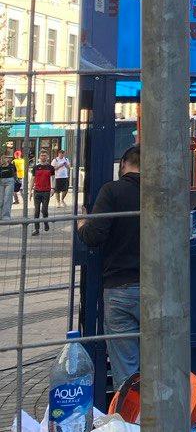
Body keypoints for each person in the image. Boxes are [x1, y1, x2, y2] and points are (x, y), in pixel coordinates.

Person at [77, 145, 141, 383]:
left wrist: (82, 224)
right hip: (158, 289)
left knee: (126, 368)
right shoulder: (160, 192)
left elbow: (93, 236)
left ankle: (129, 406)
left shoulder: (112, 191)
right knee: (160, 361)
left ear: (123, 164)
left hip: (119, 288)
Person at [31, 151, 54, 236]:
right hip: (37, 191)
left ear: (47, 157)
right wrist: (30, 191)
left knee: (44, 210)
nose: (43, 157)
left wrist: (53, 188)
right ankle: (36, 229)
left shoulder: (50, 167)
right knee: (36, 211)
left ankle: (45, 222)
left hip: (46, 191)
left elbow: (53, 178)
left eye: (44, 155)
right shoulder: (36, 167)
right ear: (39, 157)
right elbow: (32, 179)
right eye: (41, 155)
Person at [0, 152, 15, 221]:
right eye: (2, 158)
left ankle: (6, 216)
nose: (4, 159)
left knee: (7, 198)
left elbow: (14, 173)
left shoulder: (11, 165)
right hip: (1, 182)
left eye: (5, 158)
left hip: (9, 181)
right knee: (1, 199)